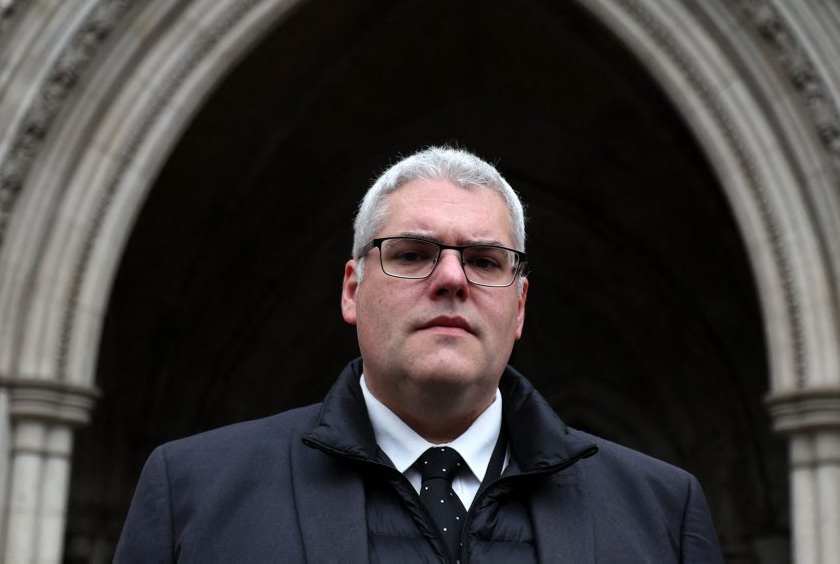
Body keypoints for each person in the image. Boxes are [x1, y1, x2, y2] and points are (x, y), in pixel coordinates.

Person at [114, 146, 723, 562]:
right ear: (352, 289)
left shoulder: (660, 514)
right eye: (411, 254)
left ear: (519, 306)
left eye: (485, 261)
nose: (452, 279)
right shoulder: (194, 494)